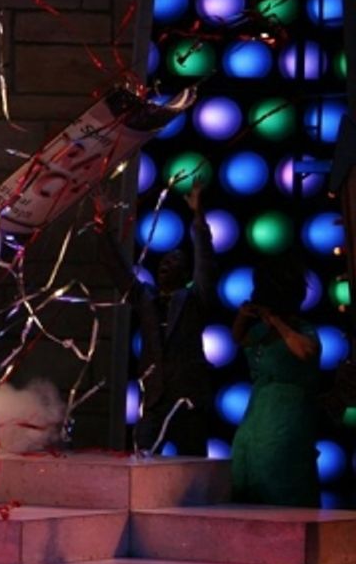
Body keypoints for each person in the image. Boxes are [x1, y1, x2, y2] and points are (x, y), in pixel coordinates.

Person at [98, 182, 214, 456]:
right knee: (142, 459)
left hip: (188, 398)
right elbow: (116, 269)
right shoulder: (146, 297)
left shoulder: (194, 299)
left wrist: (198, 215)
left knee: (193, 465)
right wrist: (102, 221)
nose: (165, 264)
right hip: (154, 398)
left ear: (185, 274)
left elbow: (206, 262)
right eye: (163, 262)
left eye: (174, 262)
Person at [230, 255, 321, 507]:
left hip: (287, 413)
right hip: (258, 410)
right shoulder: (260, 332)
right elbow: (238, 339)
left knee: (280, 472)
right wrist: (243, 315)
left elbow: (306, 351)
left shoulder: (302, 329)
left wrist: (277, 321)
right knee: (248, 467)